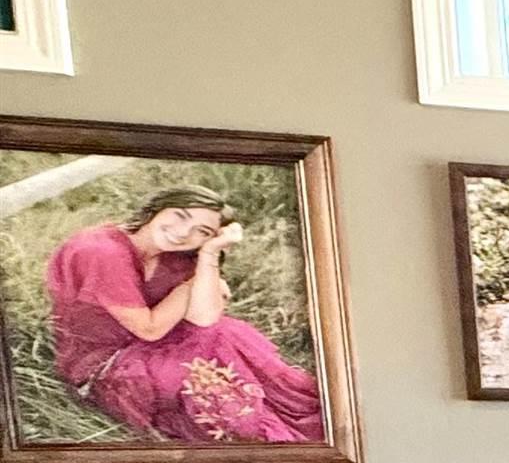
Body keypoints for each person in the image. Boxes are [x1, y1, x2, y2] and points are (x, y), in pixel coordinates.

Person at [45, 183, 323, 443]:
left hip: (156, 345)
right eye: (180, 215)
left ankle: (286, 413)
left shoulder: (178, 255)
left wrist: (210, 255)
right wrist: (189, 288)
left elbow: (205, 320)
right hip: (109, 365)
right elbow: (149, 329)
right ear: (158, 209)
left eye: (202, 231)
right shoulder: (100, 251)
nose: (182, 232)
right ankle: (253, 429)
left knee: (227, 333)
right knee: (214, 387)